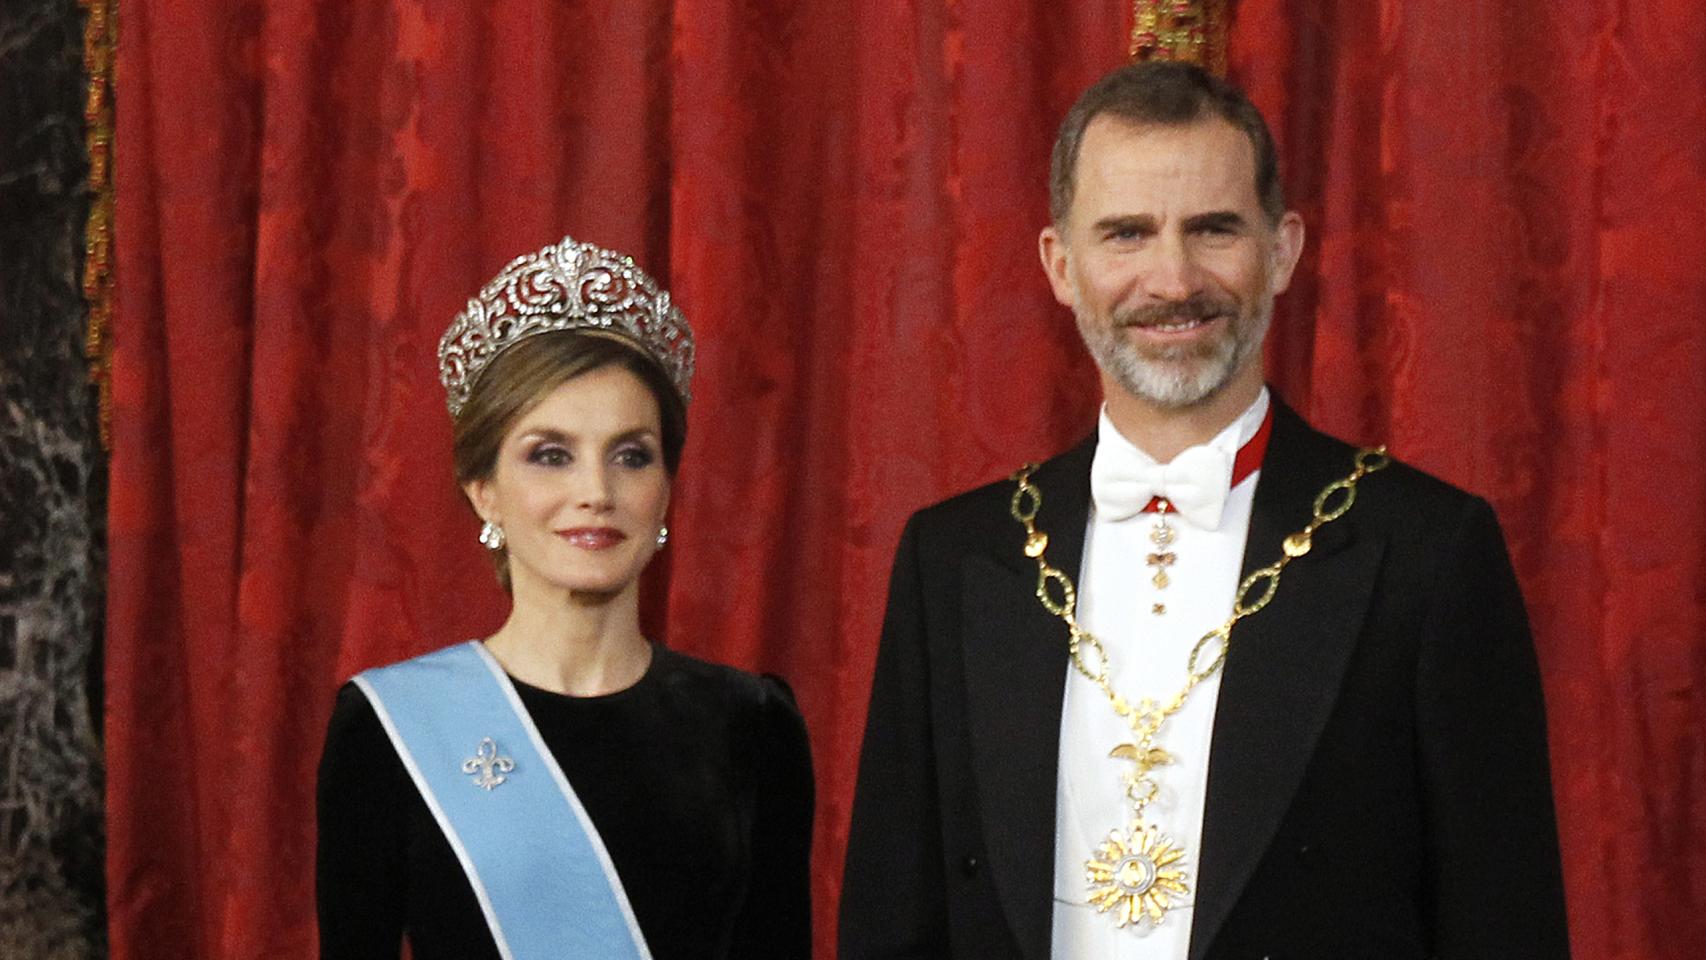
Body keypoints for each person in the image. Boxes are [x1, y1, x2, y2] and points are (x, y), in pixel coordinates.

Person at [839, 62, 1569, 960]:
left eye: (1214, 229)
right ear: (1061, 265)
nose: (1173, 278)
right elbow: (891, 921)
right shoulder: (953, 558)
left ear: (1284, 249)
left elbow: (1504, 924)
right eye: (1127, 235)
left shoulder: (1427, 550)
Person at [316, 236, 813, 960]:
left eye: (631, 455)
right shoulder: (389, 729)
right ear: (484, 491)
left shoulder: (752, 726)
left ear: (666, 486)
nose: (596, 493)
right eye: (551, 455)